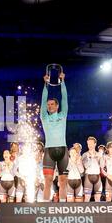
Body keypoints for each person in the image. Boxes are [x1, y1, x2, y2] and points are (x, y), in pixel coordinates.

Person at [41, 71, 69, 202]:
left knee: (63, 181)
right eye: (48, 104)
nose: (49, 106)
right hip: (49, 151)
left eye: (52, 104)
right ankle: (45, 206)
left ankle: (63, 206)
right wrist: (46, 84)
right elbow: (42, 100)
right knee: (48, 181)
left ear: (57, 106)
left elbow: (65, 98)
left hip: (63, 151)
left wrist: (62, 82)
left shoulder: (63, 115)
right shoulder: (44, 117)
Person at [82, 136, 102, 202]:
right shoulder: (85, 154)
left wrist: (100, 157)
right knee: (87, 198)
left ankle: (98, 212)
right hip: (88, 177)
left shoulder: (99, 154)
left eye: (91, 143)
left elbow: (102, 166)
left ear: (95, 144)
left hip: (97, 177)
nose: (89, 145)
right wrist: (91, 158)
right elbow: (86, 166)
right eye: (88, 144)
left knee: (97, 198)